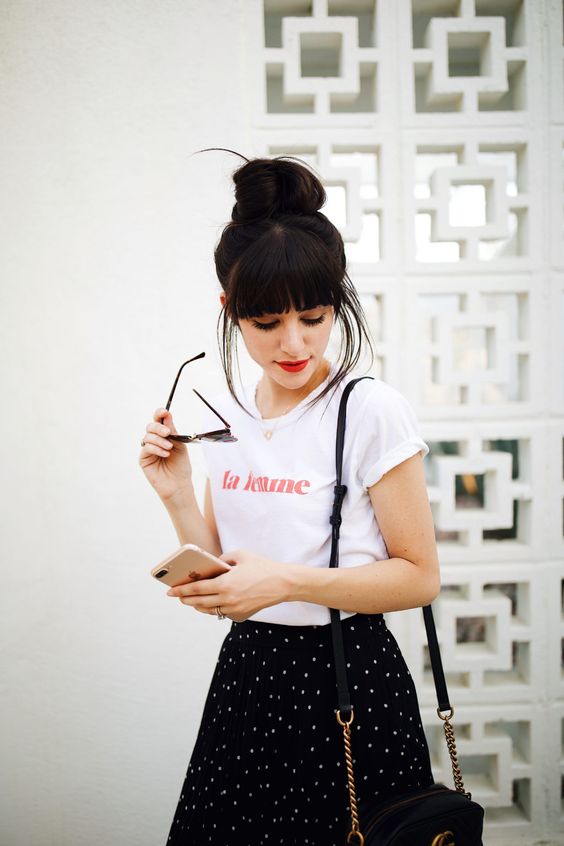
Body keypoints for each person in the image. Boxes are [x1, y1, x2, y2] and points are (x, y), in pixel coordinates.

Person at [139, 152, 440, 846]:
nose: (294, 342)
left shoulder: (370, 411)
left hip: (348, 680)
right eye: (266, 322)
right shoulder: (231, 412)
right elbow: (221, 566)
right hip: (250, 681)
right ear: (231, 310)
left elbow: (420, 576)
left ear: (336, 302)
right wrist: (177, 492)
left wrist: (285, 583)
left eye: (312, 315)